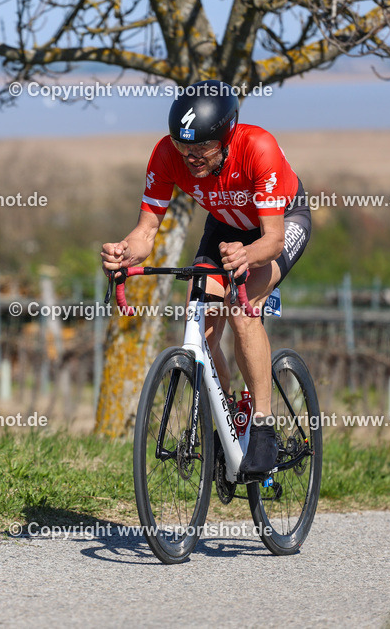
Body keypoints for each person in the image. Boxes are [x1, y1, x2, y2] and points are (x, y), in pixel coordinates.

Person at [100, 79, 311, 476]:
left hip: (278, 225)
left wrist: (246, 256)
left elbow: (271, 240)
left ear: (227, 135)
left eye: (201, 149)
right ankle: (229, 413)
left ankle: (263, 425)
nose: (191, 158)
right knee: (197, 316)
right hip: (225, 229)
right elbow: (145, 234)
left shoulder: (257, 148)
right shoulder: (167, 154)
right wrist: (123, 252)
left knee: (241, 309)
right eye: (184, 147)